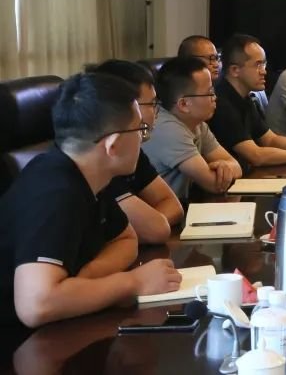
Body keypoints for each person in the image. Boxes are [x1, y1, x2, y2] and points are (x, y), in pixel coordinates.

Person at [0, 73, 181, 337]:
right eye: (139, 130)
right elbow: (36, 305)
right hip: (22, 343)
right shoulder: (55, 193)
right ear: (113, 145)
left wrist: (83, 281)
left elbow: (126, 239)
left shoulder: (90, 175)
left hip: (63, 324)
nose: (143, 138)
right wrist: (132, 282)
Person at [89, 60, 184, 243]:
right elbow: (155, 230)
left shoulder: (131, 149)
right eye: (151, 104)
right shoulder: (101, 158)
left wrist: (134, 233)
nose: (156, 112)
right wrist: (146, 227)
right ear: (124, 107)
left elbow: (172, 205)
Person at [209, 34, 286, 170]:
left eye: (264, 64)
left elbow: (270, 139)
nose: (264, 71)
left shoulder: (245, 98)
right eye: (258, 65)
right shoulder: (222, 103)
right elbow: (256, 156)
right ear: (235, 70)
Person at [142, 57, 243, 199]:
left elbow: (236, 166)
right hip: (159, 210)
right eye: (209, 92)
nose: (215, 97)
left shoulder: (197, 124)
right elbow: (213, 184)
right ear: (184, 104)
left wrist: (226, 167)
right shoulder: (168, 130)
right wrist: (224, 171)